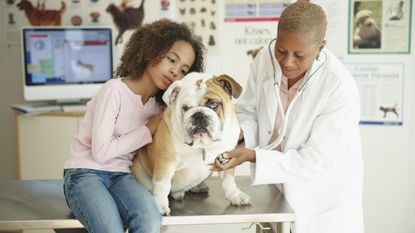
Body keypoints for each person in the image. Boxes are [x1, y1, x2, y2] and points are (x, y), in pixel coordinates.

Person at [214, 2, 364, 233]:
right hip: (277, 196)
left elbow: (317, 160)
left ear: (320, 47)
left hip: (321, 204)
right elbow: (249, 110)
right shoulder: (265, 58)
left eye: (300, 55)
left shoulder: (337, 86)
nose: (287, 62)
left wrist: (254, 156)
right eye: (281, 50)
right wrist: (240, 133)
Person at [63, 19, 205, 233]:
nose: (175, 71)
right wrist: (149, 128)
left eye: (184, 70)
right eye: (171, 60)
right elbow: (101, 153)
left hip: (123, 175)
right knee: (111, 229)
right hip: (85, 173)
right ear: (151, 52)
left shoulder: (161, 107)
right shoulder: (114, 91)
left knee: (150, 221)